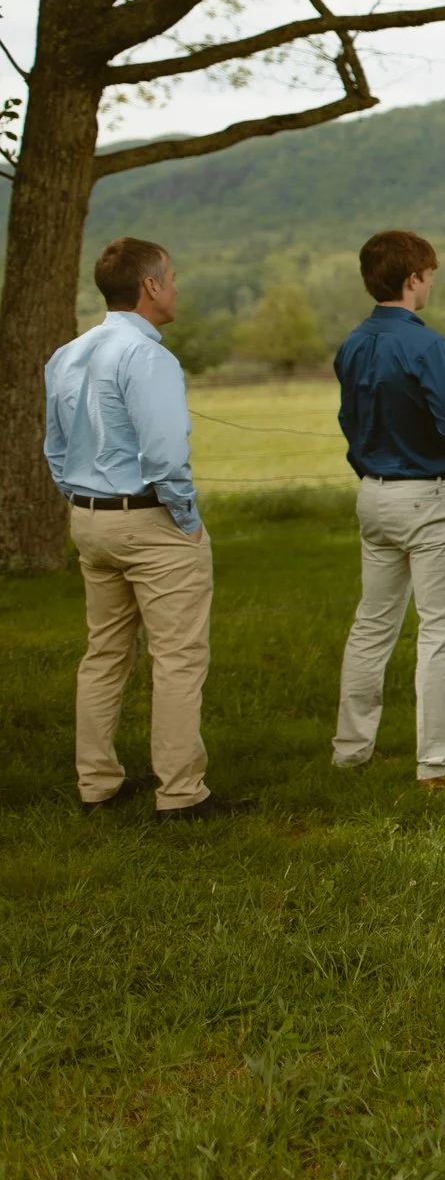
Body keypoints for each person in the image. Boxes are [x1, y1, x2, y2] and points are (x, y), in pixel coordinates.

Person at [44, 238, 249, 821]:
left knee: (103, 653)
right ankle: (182, 794)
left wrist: (80, 502)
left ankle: (97, 785)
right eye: (173, 277)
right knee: (179, 658)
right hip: (150, 521)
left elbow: (55, 449)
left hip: (89, 520)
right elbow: (164, 454)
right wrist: (185, 519)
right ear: (151, 285)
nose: (177, 287)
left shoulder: (68, 354)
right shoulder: (148, 356)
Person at [332, 229, 445, 788]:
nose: (430, 284)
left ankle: (350, 750)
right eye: (429, 275)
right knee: (442, 633)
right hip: (427, 494)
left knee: (371, 627)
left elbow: (349, 422)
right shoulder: (428, 346)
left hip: (373, 493)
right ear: (412, 279)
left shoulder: (351, 344)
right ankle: (440, 763)